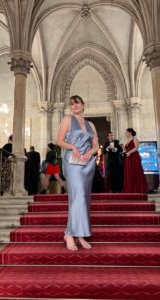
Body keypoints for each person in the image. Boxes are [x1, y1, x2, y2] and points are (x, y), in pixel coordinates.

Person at [57, 95, 99, 251]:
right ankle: (69, 233)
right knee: (78, 196)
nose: (74, 106)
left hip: (87, 163)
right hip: (72, 161)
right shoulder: (67, 119)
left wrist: (91, 152)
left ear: (83, 105)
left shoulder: (90, 124)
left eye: (77, 103)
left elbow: (95, 145)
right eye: (72, 104)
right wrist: (72, 147)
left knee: (84, 198)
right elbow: (59, 141)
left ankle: (80, 234)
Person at [123, 128, 148, 193]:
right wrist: (123, 148)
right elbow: (127, 149)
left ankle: (137, 189)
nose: (125, 133)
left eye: (126, 132)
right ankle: (130, 189)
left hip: (134, 157)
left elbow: (136, 147)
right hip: (128, 157)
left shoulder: (134, 139)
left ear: (130, 132)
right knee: (129, 172)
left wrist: (129, 152)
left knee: (135, 171)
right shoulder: (128, 140)